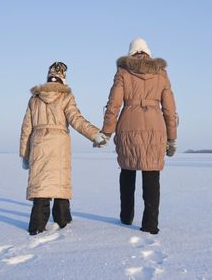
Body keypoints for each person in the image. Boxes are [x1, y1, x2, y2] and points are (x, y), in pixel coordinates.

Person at [101, 38, 178, 234]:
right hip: (155, 127)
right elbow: (169, 109)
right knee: (151, 174)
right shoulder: (161, 73)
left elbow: (113, 104)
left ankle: (126, 217)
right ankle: (150, 224)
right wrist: (171, 138)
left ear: (131, 52)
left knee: (127, 171)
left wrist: (107, 131)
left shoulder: (123, 72)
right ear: (148, 52)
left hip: (128, 125)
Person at [20, 61, 106, 235]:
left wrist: (25, 154)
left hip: (38, 142)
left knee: (41, 183)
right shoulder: (66, 97)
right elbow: (76, 119)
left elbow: (26, 128)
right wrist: (95, 134)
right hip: (59, 142)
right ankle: (63, 219)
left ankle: (37, 225)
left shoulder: (35, 98)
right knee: (60, 180)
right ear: (63, 79)